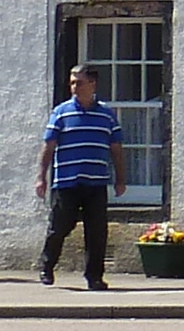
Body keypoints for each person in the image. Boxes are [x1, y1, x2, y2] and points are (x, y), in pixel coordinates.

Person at [36, 65, 124, 291]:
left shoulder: (106, 114)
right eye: (72, 82)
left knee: (97, 232)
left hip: (96, 182)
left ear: (92, 84)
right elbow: (48, 146)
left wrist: (120, 178)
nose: (75, 87)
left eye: (80, 82)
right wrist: (41, 177)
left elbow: (116, 148)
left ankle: (94, 276)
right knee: (60, 226)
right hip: (67, 182)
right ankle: (47, 266)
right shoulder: (61, 112)